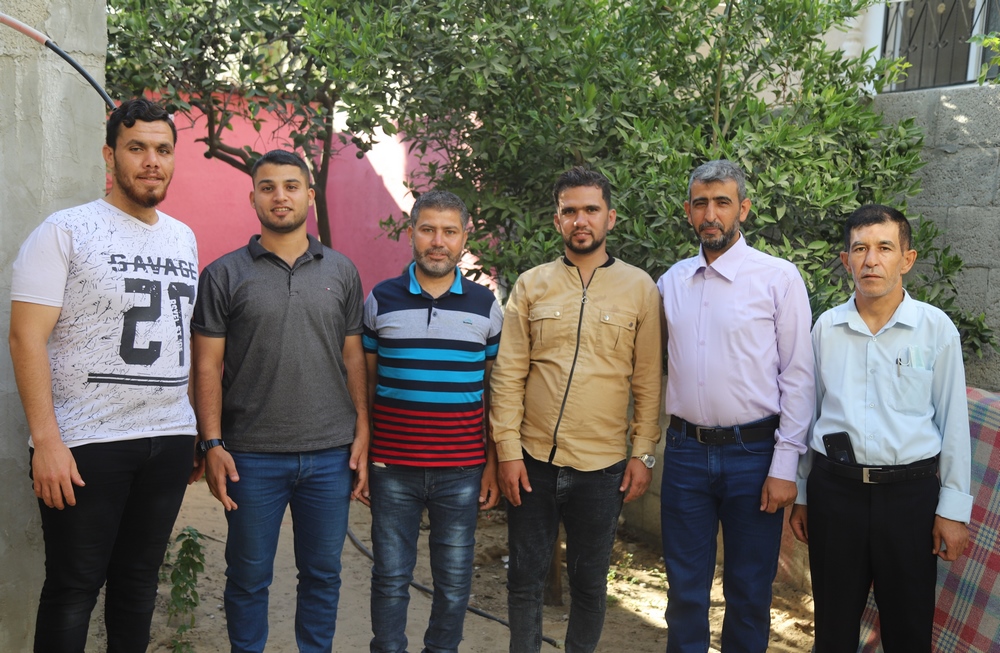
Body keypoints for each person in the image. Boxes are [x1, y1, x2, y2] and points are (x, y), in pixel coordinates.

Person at [8, 98, 200, 652]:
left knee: (139, 586)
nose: (151, 161)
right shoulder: (65, 230)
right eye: (136, 147)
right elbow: (25, 337)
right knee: (74, 589)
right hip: (87, 442)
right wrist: (47, 441)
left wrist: (188, 430)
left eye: (163, 149)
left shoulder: (183, 237)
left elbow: (180, 336)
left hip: (168, 437)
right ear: (109, 155)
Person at [191, 149, 369, 653]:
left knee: (323, 575)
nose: (280, 196)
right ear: (253, 198)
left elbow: (353, 356)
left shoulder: (342, 270)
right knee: (248, 577)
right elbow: (206, 367)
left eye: (291, 186)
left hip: (330, 454)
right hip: (250, 456)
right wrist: (211, 443)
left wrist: (363, 427)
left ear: (309, 196)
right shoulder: (223, 275)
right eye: (267, 187)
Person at [489, 166, 663, 652]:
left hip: (603, 468)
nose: (580, 220)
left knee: (589, 584)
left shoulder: (640, 289)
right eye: (570, 211)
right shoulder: (532, 285)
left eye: (591, 209)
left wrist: (643, 452)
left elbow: (648, 381)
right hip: (532, 462)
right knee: (525, 579)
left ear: (611, 217)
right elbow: (508, 375)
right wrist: (507, 451)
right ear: (557, 220)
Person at [789, 204, 971, 653]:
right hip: (836, 496)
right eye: (860, 249)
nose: (871, 260)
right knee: (833, 629)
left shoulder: (935, 330)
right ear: (845, 259)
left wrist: (953, 510)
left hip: (910, 500)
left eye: (884, 248)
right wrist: (804, 494)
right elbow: (810, 414)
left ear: (906, 259)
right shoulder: (826, 329)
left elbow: (953, 422)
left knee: (909, 630)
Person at [657, 159, 814, 653]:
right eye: (701, 203)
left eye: (722, 202)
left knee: (748, 591)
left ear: (742, 209)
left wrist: (785, 465)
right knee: (684, 590)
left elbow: (799, 377)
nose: (711, 214)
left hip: (755, 456)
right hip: (684, 453)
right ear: (688, 211)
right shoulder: (670, 283)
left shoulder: (778, 278)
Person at [362, 189, 503, 653]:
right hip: (391, 468)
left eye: (449, 231)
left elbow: (493, 393)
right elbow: (367, 385)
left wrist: (491, 463)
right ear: (412, 234)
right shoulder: (380, 300)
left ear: (464, 238)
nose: (437, 241)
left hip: (461, 470)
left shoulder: (486, 306)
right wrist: (364, 456)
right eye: (427, 229)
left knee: (455, 582)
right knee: (390, 577)